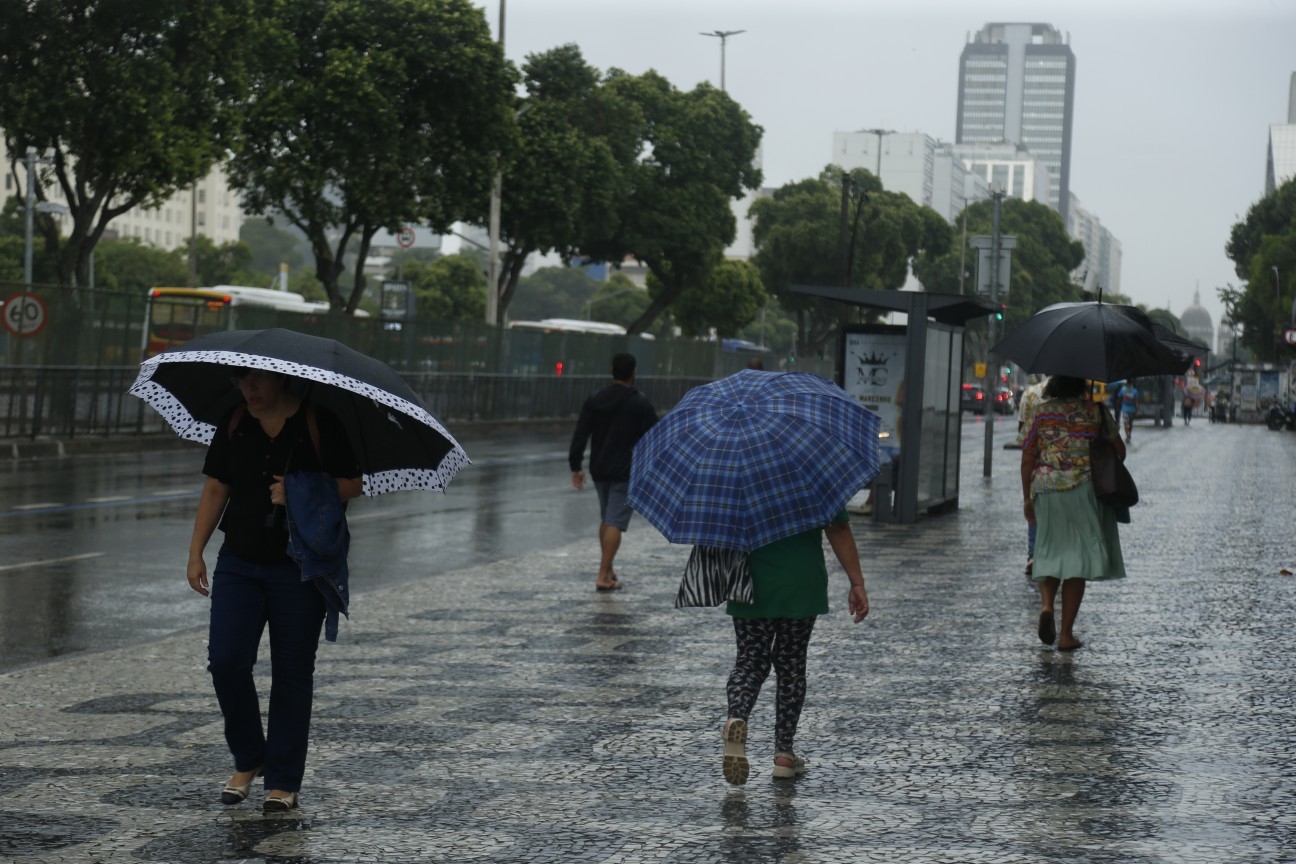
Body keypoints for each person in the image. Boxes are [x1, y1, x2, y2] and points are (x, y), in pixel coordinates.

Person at [188, 368, 361, 812]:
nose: (248, 391)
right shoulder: (235, 420)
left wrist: (301, 490)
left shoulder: (319, 423)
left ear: (279, 380)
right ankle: (250, 756)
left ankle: (282, 780)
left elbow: (355, 483)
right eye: (240, 383)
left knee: (291, 673)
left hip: (300, 568)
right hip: (239, 563)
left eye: (256, 382)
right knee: (226, 661)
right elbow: (215, 486)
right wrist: (196, 552)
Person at [721, 513, 869, 784]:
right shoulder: (812, 472)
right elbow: (838, 527)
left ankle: (736, 717)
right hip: (801, 579)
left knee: (750, 660)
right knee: (791, 663)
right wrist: (856, 582)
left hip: (749, 579)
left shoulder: (738, 474)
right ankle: (784, 754)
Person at [1021, 375, 1126, 652]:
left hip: (1047, 488)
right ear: (1080, 386)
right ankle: (1066, 634)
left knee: (1048, 551)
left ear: (1052, 386)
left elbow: (1027, 457)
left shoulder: (1040, 413)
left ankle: (1046, 606)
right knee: (1077, 561)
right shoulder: (1096, 411)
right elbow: (1120, 451)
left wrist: (1026, 497)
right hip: (1084, 489)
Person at [569, 352, 658, 591]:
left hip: (599, 468)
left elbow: (581, 433)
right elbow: (654, 438)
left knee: (608, 519)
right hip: (626, 471)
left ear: (612, 371)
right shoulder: (640, 402)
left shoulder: (595, 399)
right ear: (634, 372)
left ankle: (608, 568)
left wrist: (575, 465)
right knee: (615, 522)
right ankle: (603, 575)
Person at [1014, 375, 1050, 576]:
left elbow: (1022, 434)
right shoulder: (1077, 396)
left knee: (1034, 507)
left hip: (1037, 464)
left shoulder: (1029, 394)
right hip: (1069, 471)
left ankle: (1033, 554)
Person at [1118, 379, 1139, 443]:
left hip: (1126, 409)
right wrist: (1137, 410)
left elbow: (1119, 396)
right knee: (1129, 423)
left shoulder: (1123, 390)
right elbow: (1136, 401)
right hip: (1129, 410)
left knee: (1127, 423)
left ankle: (1128, 435)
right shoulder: (1134, 391)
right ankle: (1128, 435)